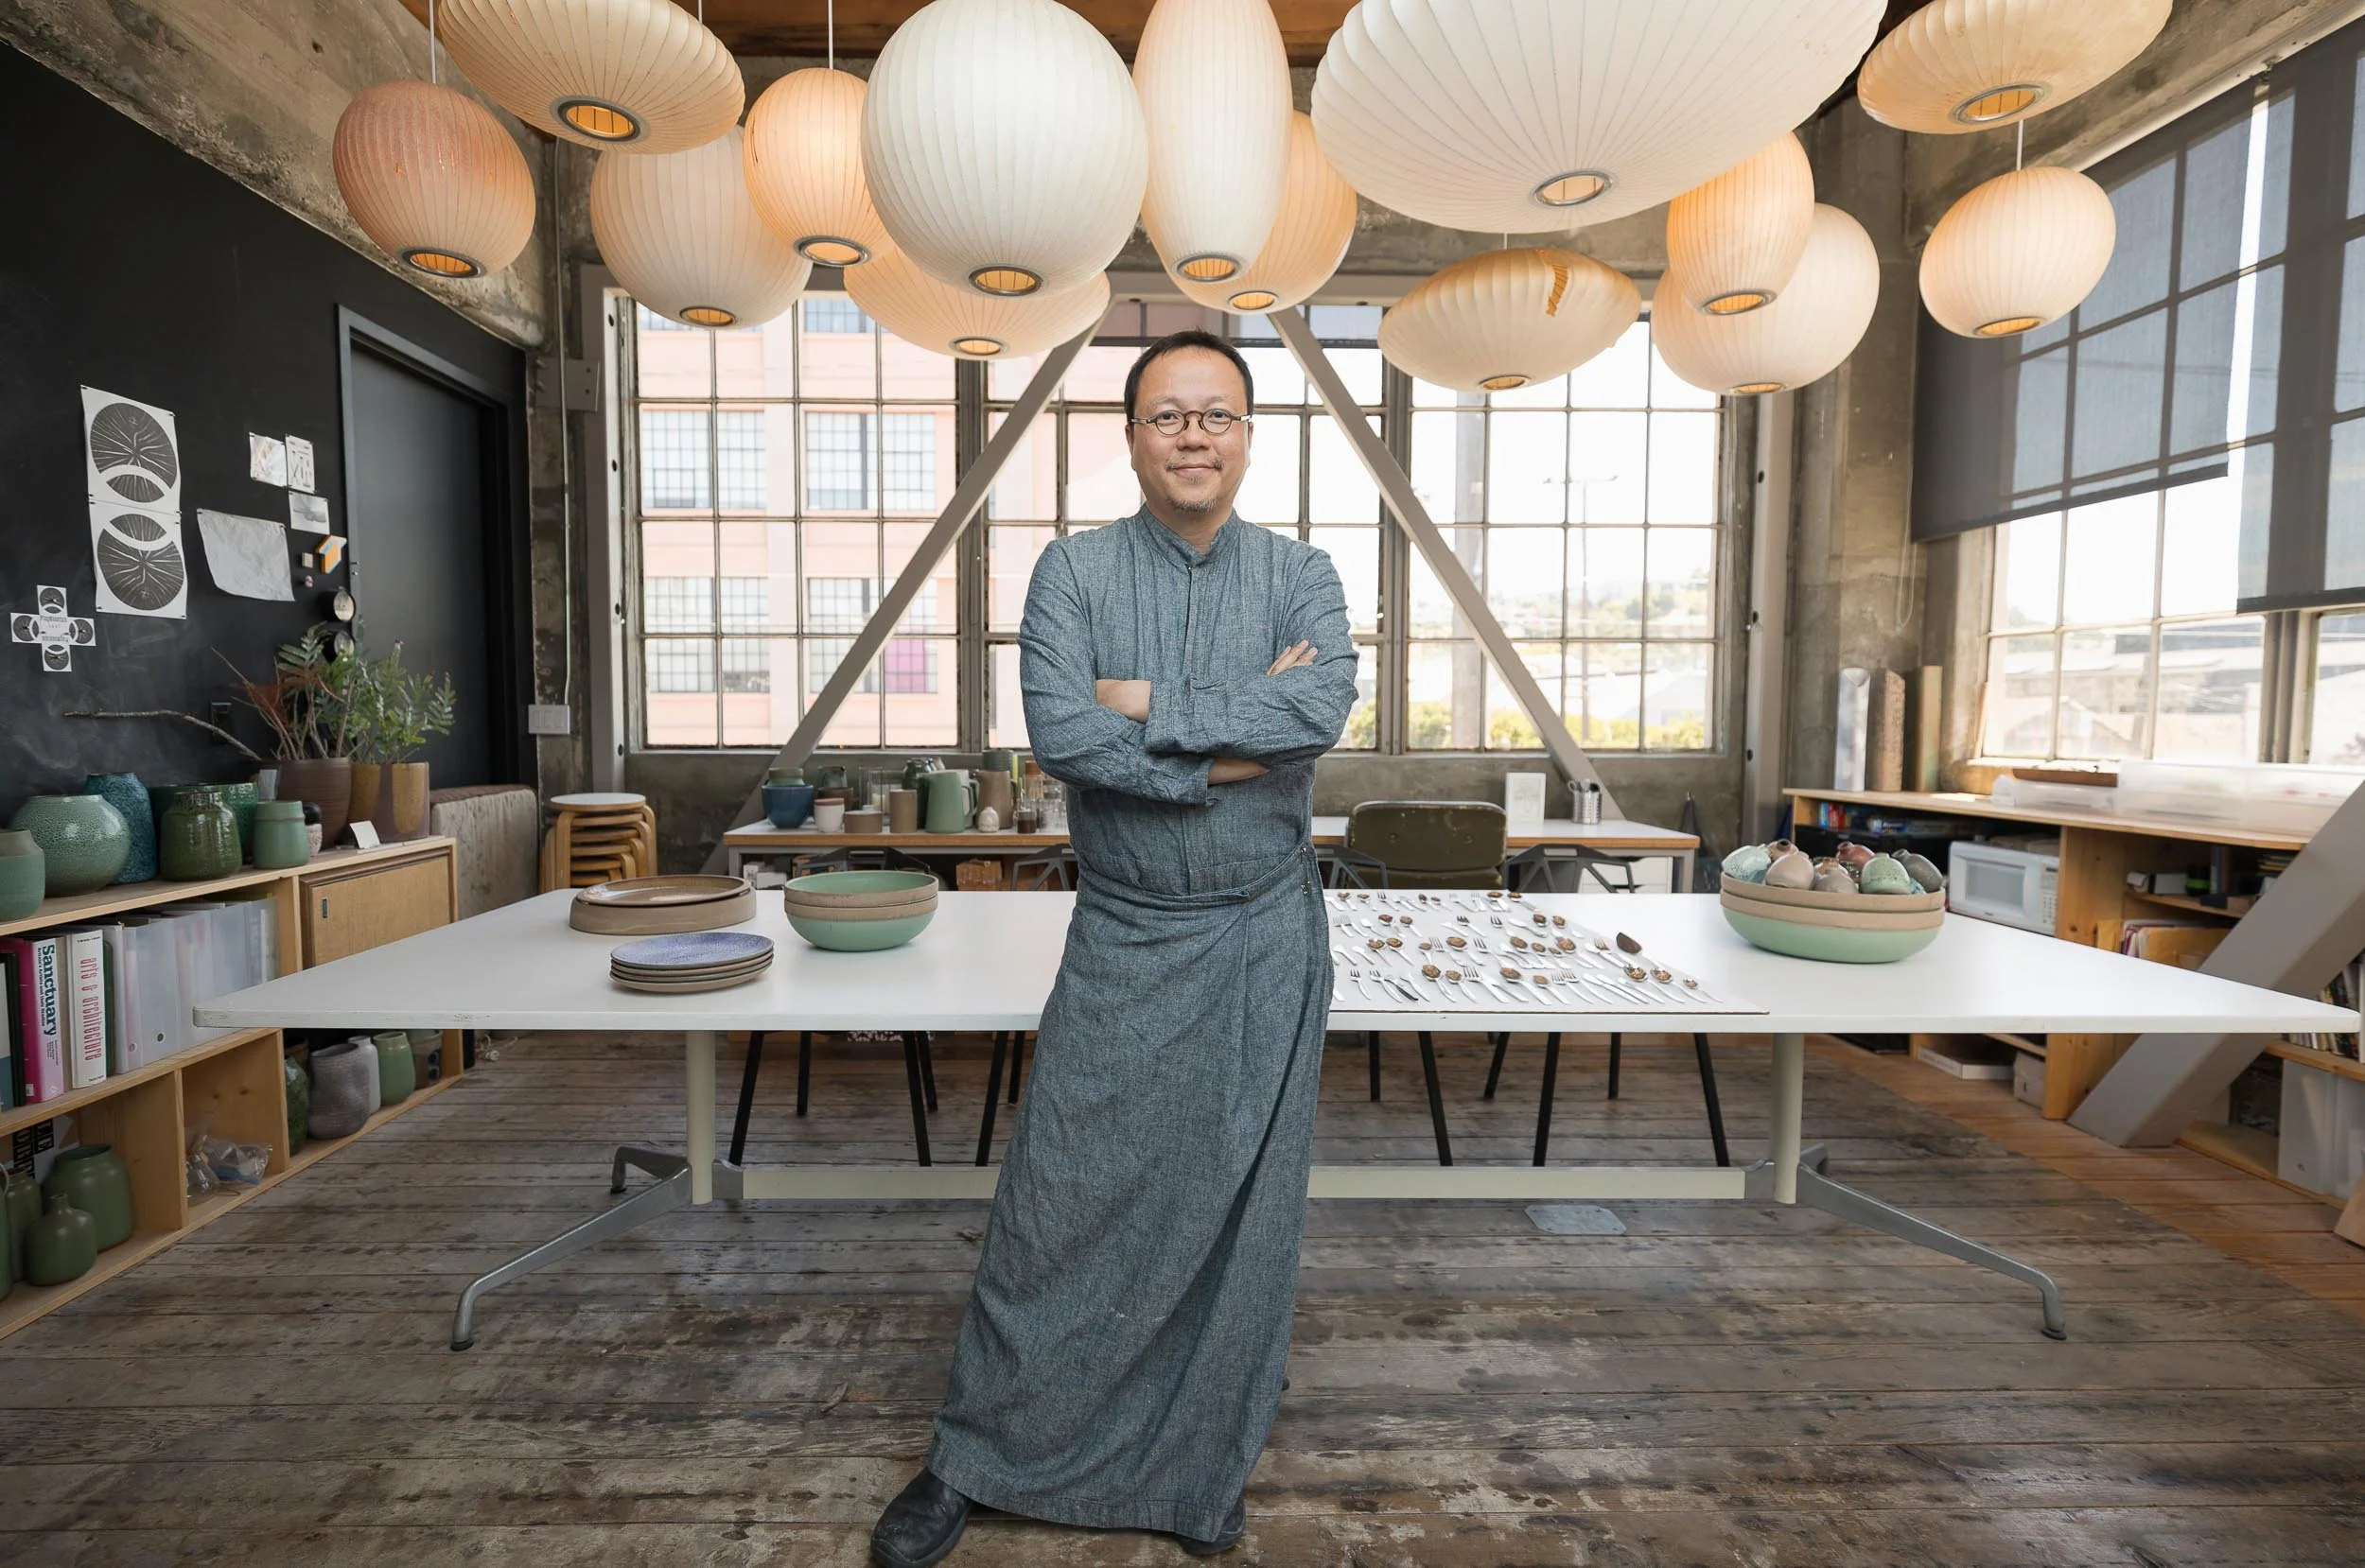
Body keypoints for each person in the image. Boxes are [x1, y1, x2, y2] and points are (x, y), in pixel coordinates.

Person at [869, 330, 1360, 1567]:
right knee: (1057, 1197)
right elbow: (1063, 736)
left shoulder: (1302, 575)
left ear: (1248, 435)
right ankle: (970, 1454)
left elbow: (1318, 713)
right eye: (1168, 414)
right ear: (1132, 436)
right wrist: (1224, 737)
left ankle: (1201, 1465)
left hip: (1264, 932)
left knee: (1241, 1216)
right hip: (1126, 929)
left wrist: (1144, 700)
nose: (1195, 434)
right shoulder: (1071, 573)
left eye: (1219, 414)